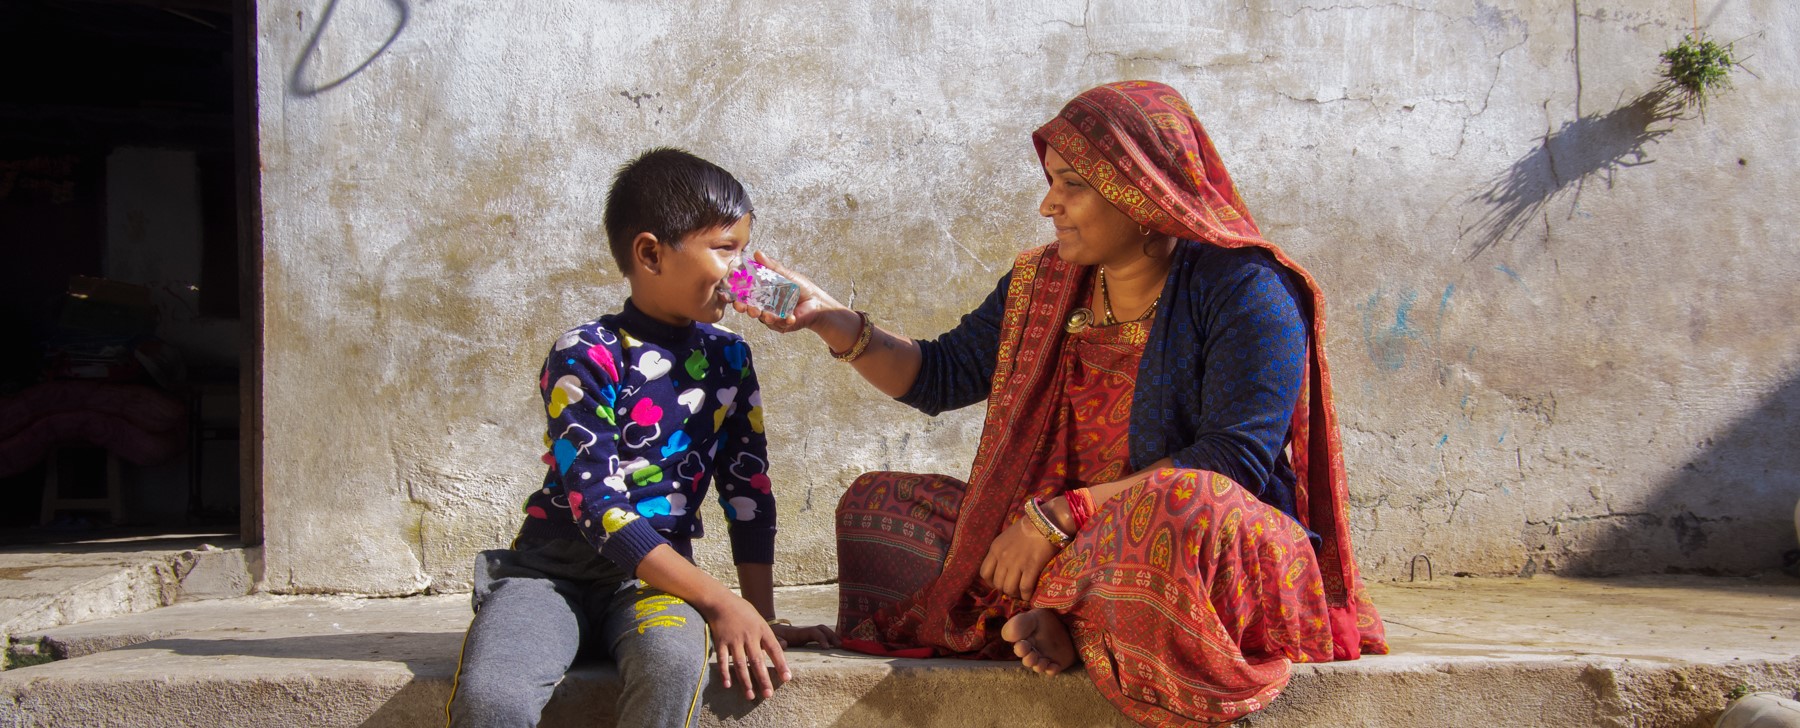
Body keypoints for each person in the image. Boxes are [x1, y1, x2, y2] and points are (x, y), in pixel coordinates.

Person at [732, 81, 1387, 726]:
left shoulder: (1249, 289)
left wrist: (1057, 519)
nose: (1050, 204)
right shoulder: (1044, 281)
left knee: (1181, 506)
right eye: (1052, 182)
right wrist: (832, 322)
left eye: (1073, 185)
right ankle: (1072, 613)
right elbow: (941, 374)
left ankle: (1067, 610)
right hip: (1060, 539)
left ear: (1143, 192)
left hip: (1195, 545)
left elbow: (1231, 462)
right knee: (877, 507)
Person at [445, 148, 837, 728]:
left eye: (745, 248)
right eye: (725, 248)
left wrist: (759, 612)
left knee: (673, 666)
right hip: (549, 574)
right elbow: (597, 504)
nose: (744, 269)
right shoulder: (585, 352)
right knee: (493, 698)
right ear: (651, 253)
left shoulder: (729, 357)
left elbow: (748, 491)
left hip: (653, 585)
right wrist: (717, 598)